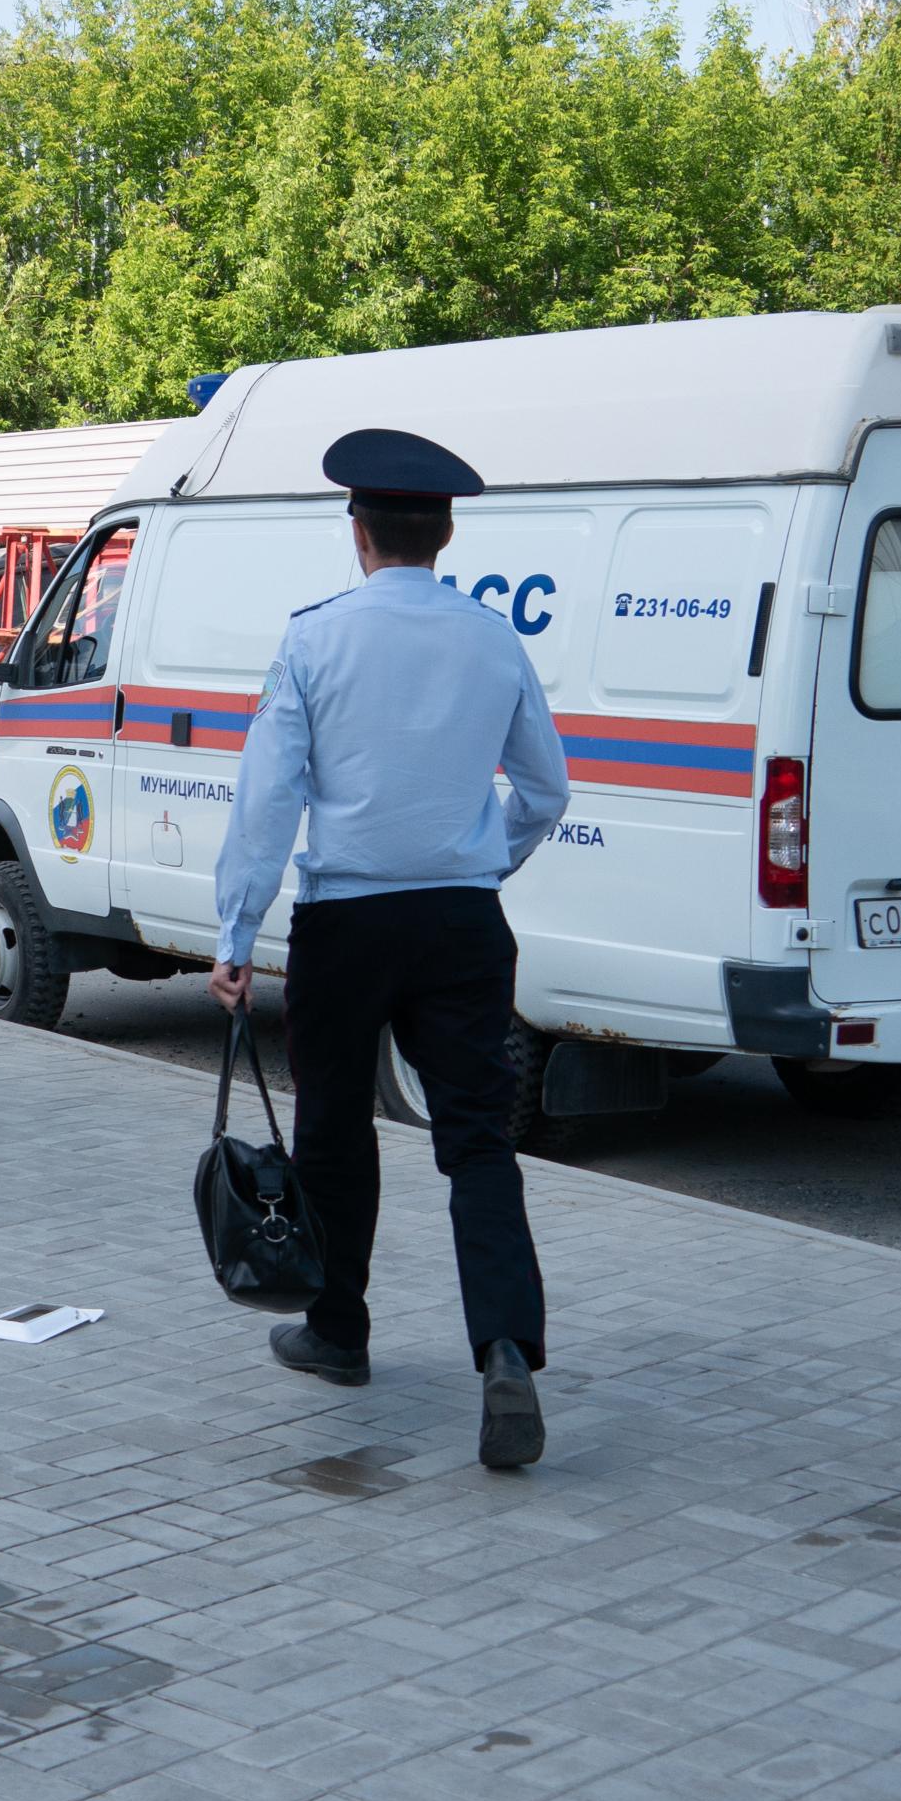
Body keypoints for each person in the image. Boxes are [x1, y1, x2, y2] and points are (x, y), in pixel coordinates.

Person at [210, 428, 570, 1468]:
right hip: (461, 922)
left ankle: (339, 1329)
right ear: (445, 532)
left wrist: (236, 933)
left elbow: (267, 800)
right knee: (477, 1139)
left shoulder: (314, 639)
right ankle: (505, 1347)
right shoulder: (495, 639)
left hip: (348, 922)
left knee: (333, 1129)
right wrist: (477, 864)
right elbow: (545, 789)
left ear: (357, 533)